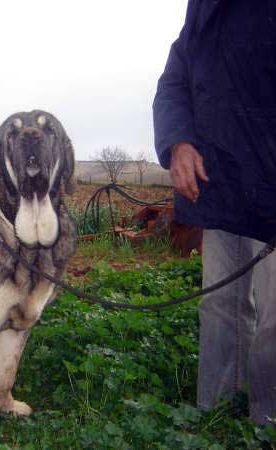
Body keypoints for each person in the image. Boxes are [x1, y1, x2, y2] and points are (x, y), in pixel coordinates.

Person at [153, 0, 276, 425]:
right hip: (219, 183)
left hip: (272, 179)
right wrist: (178, 143)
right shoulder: (203, 11)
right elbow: (174, 83)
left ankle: (267, 422)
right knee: (220, 305)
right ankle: (216, 416)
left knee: (275, 319)